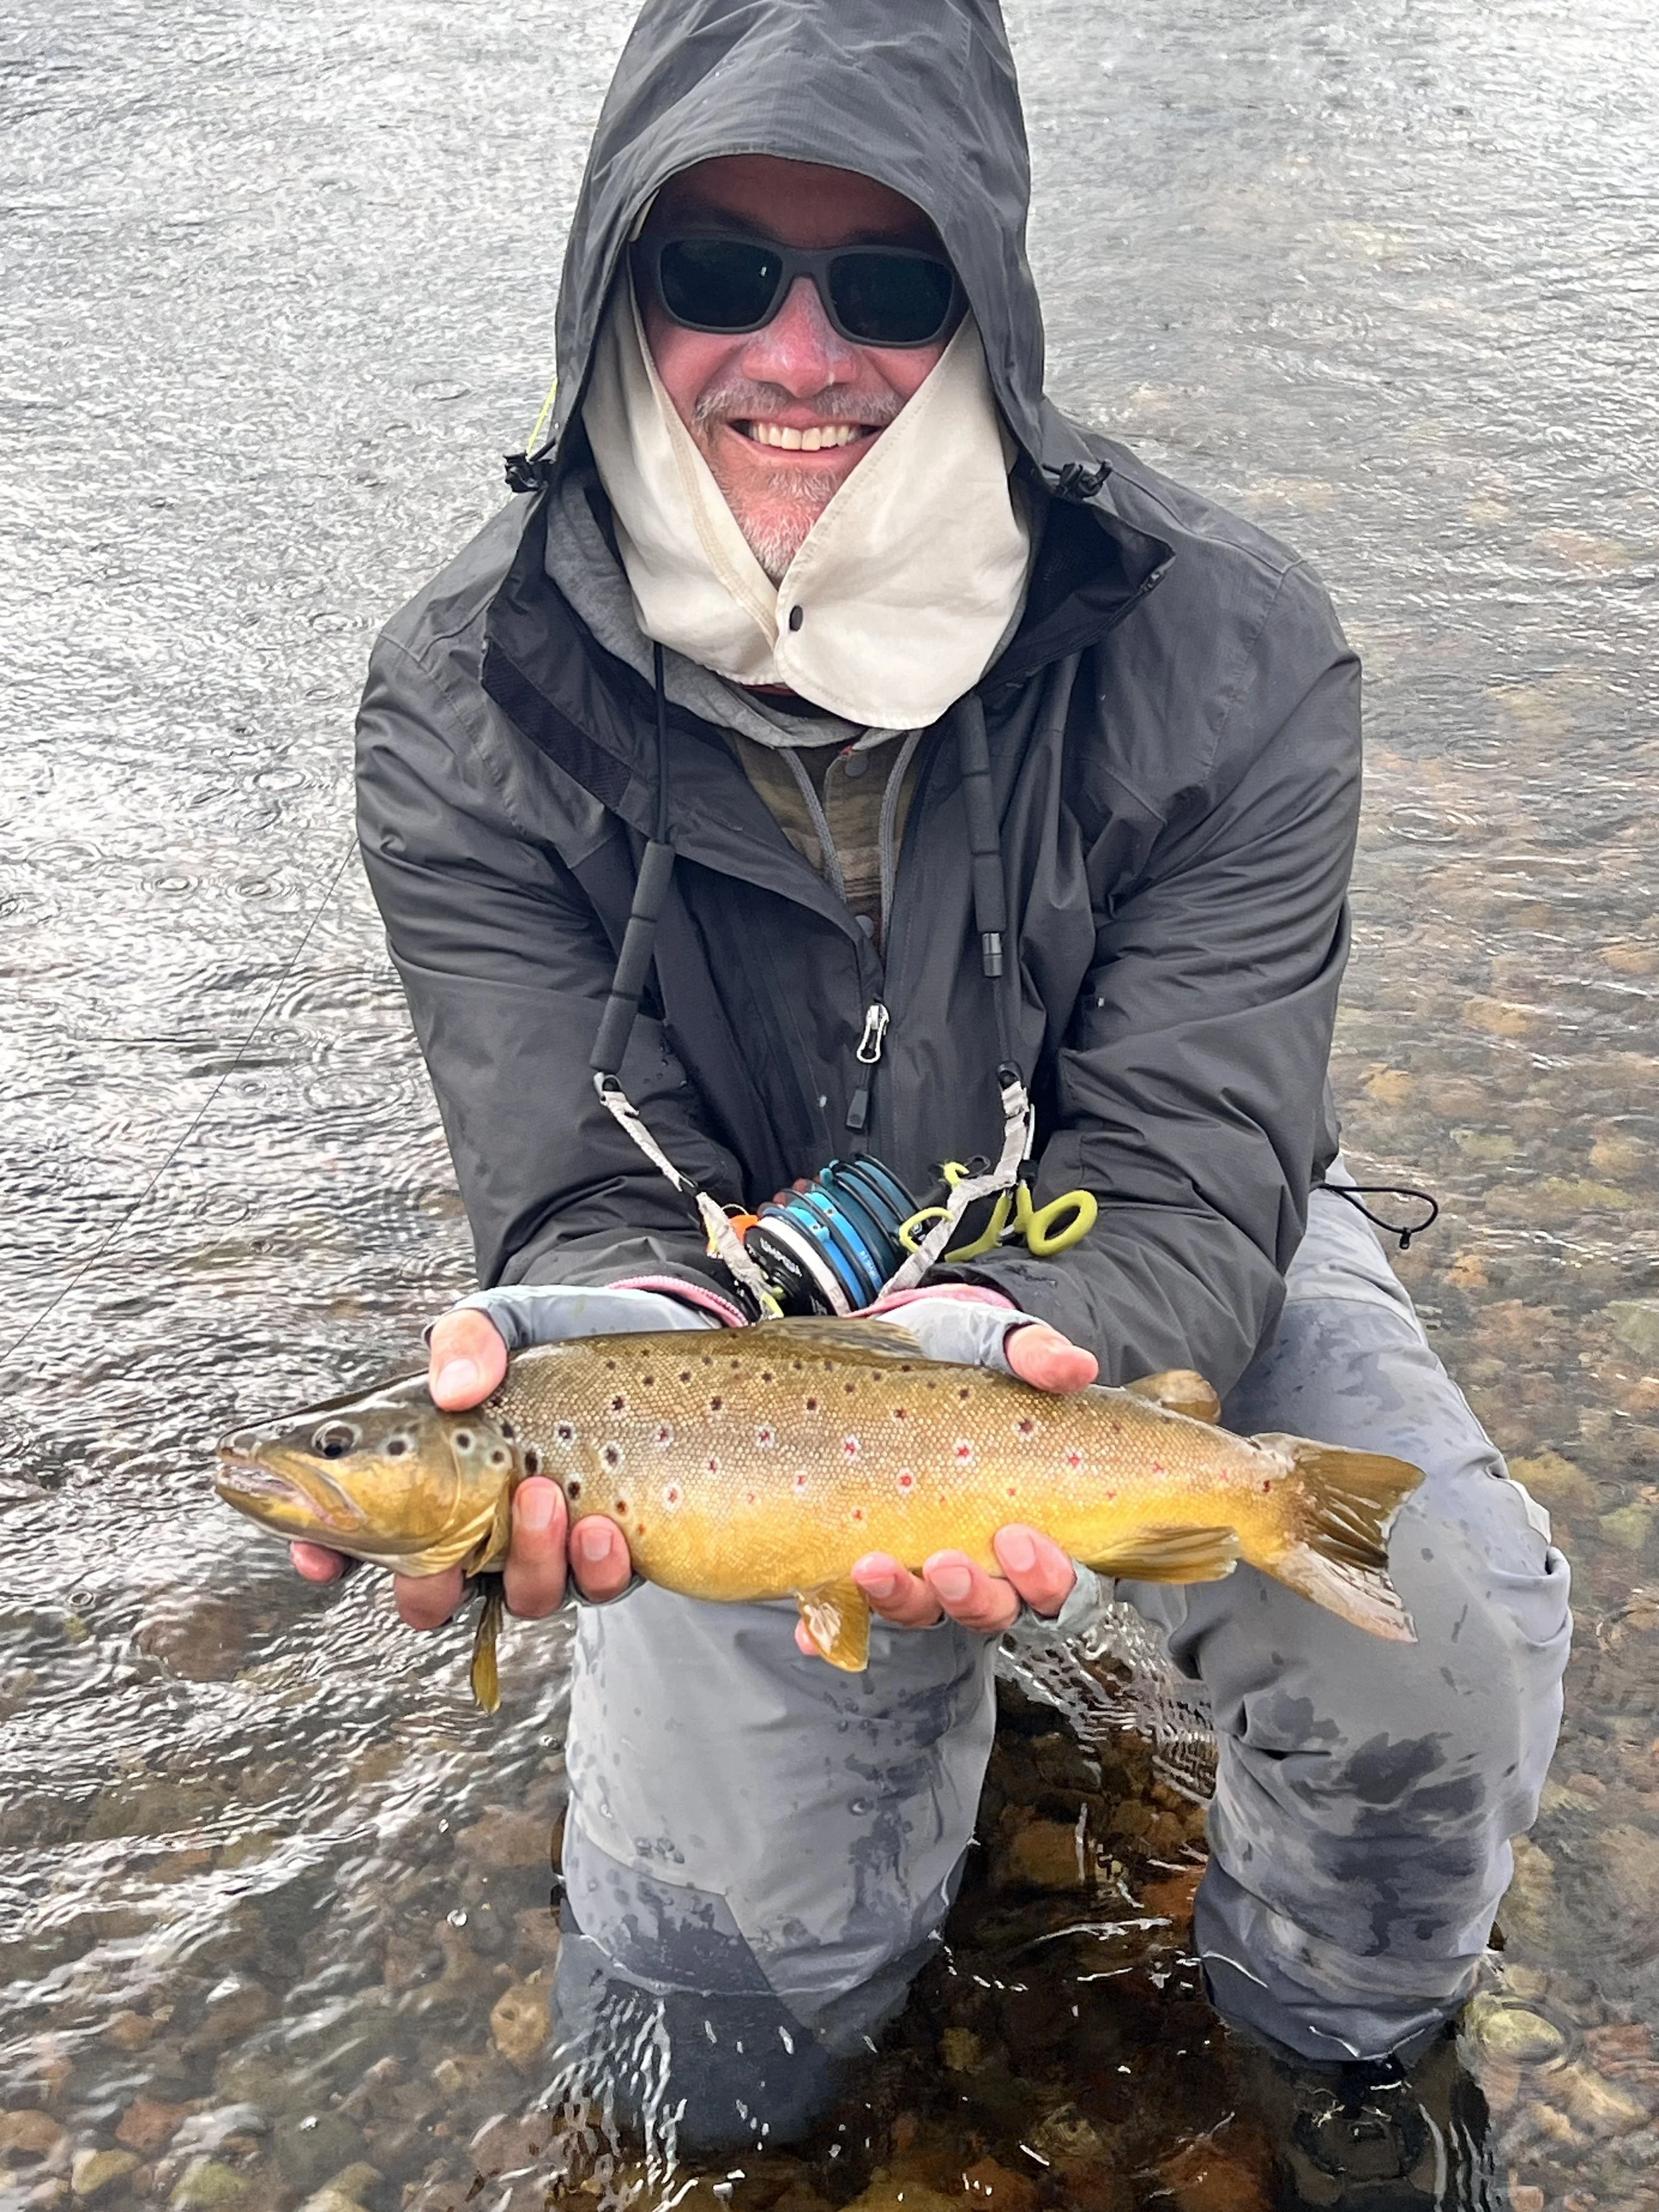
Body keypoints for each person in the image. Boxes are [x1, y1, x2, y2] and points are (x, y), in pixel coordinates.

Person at [293, 0, 1570, 2183]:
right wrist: (617, 1338)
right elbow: (566, 1192)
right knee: (703, 2060)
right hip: (721, 1337)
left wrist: (1000, 1360)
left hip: (1132, 1239)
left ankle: (1337, 2063)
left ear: (984, 308)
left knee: (1441, 1631)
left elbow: (1198, 1141)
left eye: (887, 286)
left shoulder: (1230, 643)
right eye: (717, 274)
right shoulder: (459, 697)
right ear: (617, 289)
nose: (800, 356)